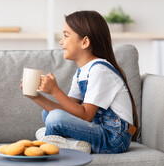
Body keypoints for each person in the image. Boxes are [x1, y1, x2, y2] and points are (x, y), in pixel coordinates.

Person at [25, 10, 138, 154]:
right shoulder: (81, 73)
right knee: (48, 114)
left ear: (85, 42)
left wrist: (55, 90)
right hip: (98, 129)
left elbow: (85, 115)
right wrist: (35, 96)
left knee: (54, 117)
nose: (61, 41)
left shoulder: (99, 70)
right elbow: (68, 109)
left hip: (114, 138)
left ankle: (55, 141)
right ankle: (72, 144)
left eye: (66, 35)